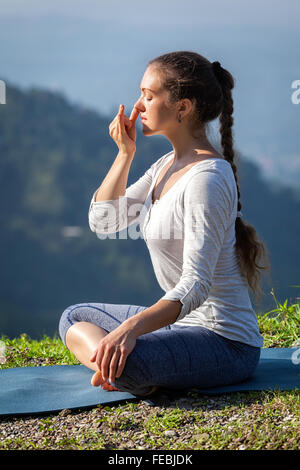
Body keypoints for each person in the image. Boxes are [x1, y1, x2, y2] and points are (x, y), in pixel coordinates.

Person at [58, 51, 271, 397]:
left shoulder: (208, 178)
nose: (138, 105)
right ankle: (120, 369)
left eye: (149, 95)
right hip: (182, 327)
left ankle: (126, 370)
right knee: (74, 317)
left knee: (130, 356)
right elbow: (104, 220)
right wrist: (124, 154)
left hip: (225, 343)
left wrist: (130, 329)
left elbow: (195, 285)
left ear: (182, 108)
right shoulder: (165, 166)